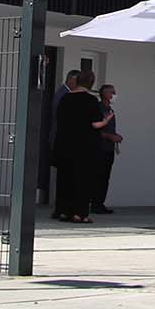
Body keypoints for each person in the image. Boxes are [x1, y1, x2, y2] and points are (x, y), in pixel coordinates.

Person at [52, 69, 111, 223]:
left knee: (65, 179)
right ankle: (79, 213)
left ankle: (63, 211)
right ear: (91, 83)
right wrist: (106, 120)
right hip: (84, 147)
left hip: (65, 145)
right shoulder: (90, 101)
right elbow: (95, 124)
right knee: (83, 180)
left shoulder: (65, 99)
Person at [49, 69, 80, 219]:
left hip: (61, 139)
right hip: (61, 140)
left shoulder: (63, 93)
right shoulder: (64, 94)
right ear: (71, 80)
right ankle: (61, 208)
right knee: (64, 176)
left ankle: (62, 208)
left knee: (64, 176)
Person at [93, 84, 123, 214]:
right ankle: (96, 204)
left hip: (108, 149)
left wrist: (115, 137)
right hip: (100, 149)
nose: (114, 95)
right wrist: (110, 136)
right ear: (105, 94)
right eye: (112, 93)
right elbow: (95, 129)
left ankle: (99, 203)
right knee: (98, 177)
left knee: (105, 177)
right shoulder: (99, 109)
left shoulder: (110, 110)